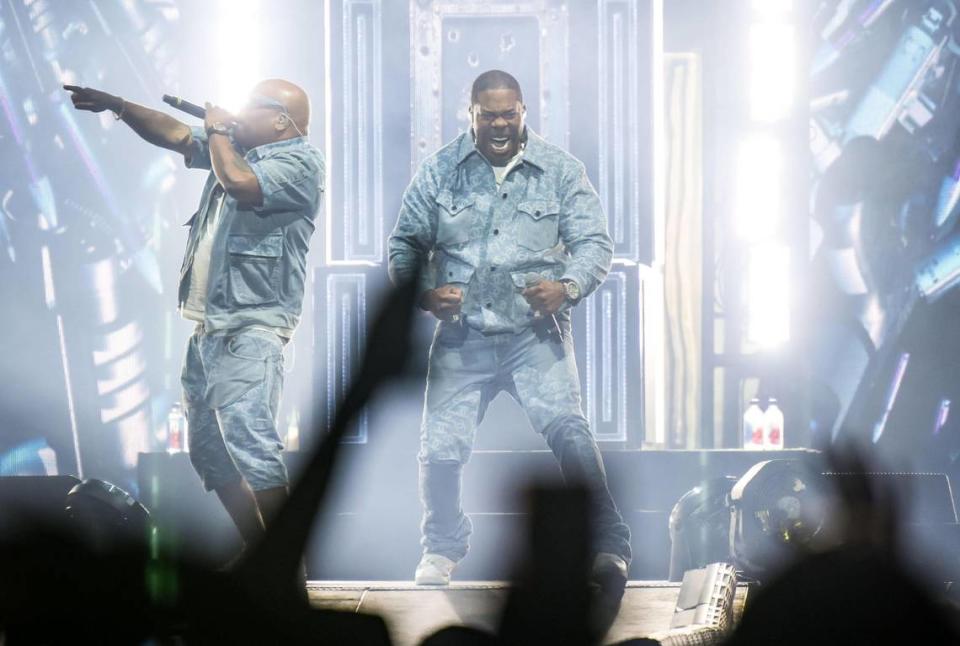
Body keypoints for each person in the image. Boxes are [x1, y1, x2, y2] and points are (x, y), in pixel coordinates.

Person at [64, 79, 324, 565]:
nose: (241, 112)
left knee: (254, 449)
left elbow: (239, 184)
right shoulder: (236, 147)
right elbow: (178, 135)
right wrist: (119, 103)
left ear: (281, 121)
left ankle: (289, 568)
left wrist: (223, 128)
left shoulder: (301, 163)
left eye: (253, 107)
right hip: (208, 329)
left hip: (251, 330)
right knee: (207, 451)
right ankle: (259, 551)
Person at [388, 69, 632, 585]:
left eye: (508, 113)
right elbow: (405, 245)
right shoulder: (440, 172)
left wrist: (565, 287)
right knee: (439, 448)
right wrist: (426, 292)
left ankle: (608, 544)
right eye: (488, 115)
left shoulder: (561, 171)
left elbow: (594, 244)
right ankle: (442, 547)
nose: (499, 124)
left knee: (569, 431)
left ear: (524, 111)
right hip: (463, 335)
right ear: (470, 114)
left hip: (533, 334)